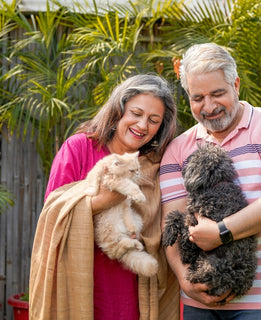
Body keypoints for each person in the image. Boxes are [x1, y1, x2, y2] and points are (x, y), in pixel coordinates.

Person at [159, 43, 261, 320]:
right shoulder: (178, 149)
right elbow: (172, 221)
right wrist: (184, 279)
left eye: (218, 93)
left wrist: (222, 233)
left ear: (236, 84)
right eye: (198, 97)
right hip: (198, 298)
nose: (209, 106)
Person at [29, 74, 180, 320]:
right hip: (81, 281)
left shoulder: (158, 165)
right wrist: (108, 199)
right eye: (136, 113)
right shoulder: (78, 148)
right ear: (118, 110)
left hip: (133, 288)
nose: (142, 125)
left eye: (154, 120)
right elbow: (53, 218)